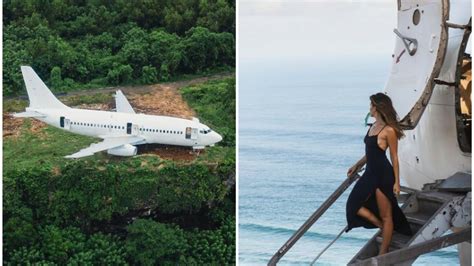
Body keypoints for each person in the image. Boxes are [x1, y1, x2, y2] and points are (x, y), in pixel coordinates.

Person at [345, 92, 413, 255]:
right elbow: (371, 153)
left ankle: (383, 255)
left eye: (371, 105)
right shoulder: (373, 127)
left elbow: (394, 157)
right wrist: (357, 165)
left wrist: (397, 182)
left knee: (387, 215)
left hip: (383, 175)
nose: (369, 108)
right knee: (353, 205)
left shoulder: (388, 130)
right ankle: (385, 228)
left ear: (377, 107)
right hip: (370, 174)